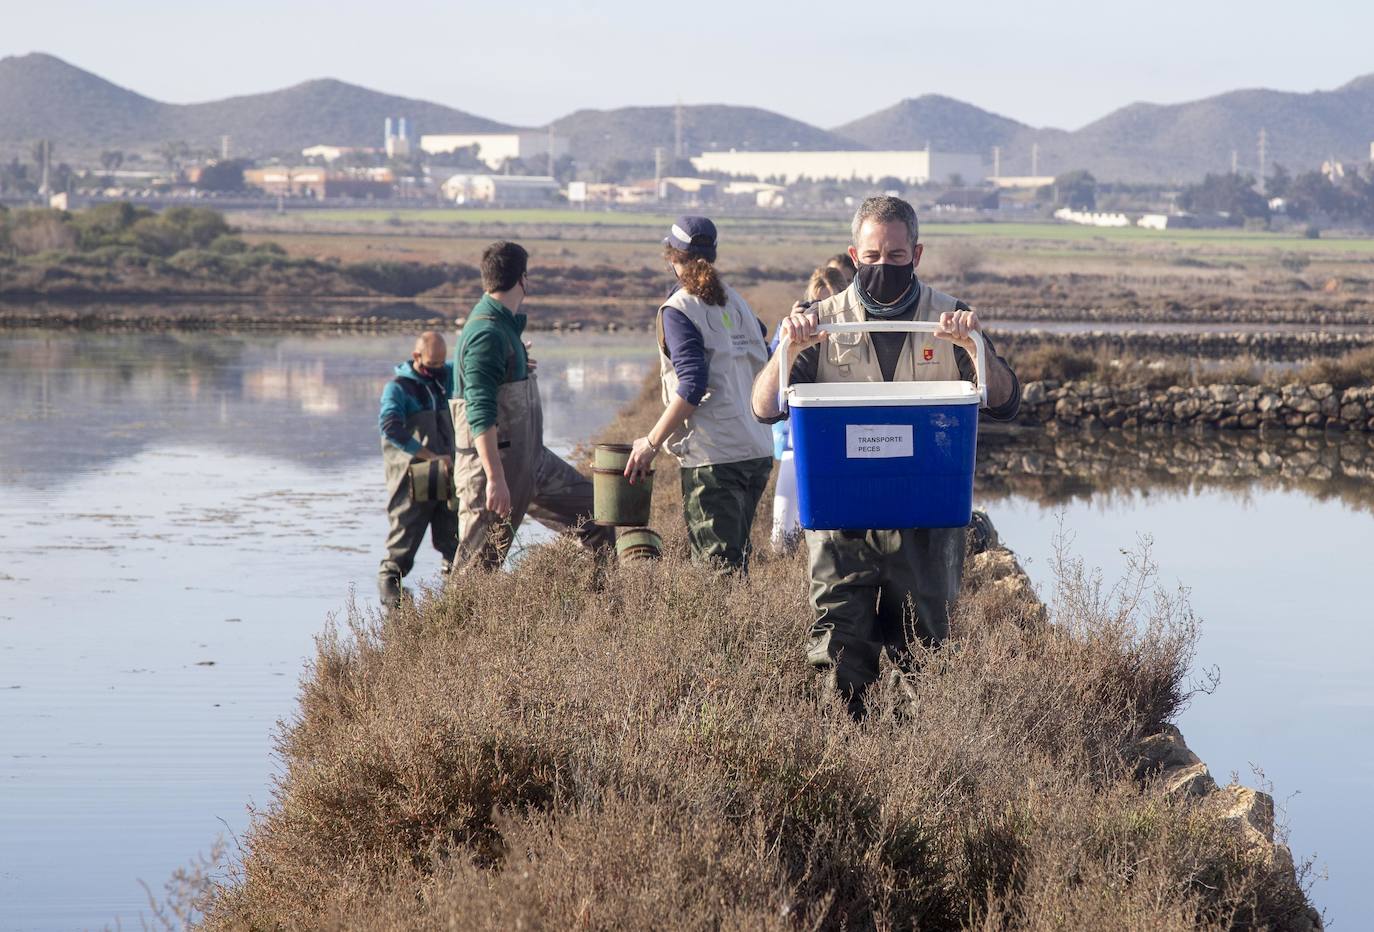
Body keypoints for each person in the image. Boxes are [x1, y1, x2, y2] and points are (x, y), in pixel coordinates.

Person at [751, 195, 1022, 718]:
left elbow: (1007, 401)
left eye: (896, 257)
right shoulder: (818, 322)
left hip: (926, 522)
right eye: (872, 257)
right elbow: (764, 409)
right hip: (840, 521)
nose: (883, 267)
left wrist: (975, 348)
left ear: (917, 254)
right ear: (854, 254)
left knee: (925, 655)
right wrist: (786, 349)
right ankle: (844, 768)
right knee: (837, 651)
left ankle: (917, 770)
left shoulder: (947, 317)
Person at [623, 216, 775, 572]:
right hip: (756, 448)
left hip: (714, 457)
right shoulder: (735, 302)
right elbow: (763, 354)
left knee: (716, 572)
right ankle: (750, 627)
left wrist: (650, 443)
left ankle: (725, 630)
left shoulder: (679, 310)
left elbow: (691, 386)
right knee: (735, 562)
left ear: (670, 257)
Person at [451, 241, 613, 569]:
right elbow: (479, 411)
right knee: (474, 578)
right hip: (491, 470)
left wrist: (519, 366)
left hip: (531, 462)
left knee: (599, 518)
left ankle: (596, 613)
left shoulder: (503, 331)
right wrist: (495, 478)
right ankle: (456, 623)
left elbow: (497, 388)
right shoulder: (487, 333)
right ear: (523, 280)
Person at [770, 265, 849, 553]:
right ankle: (785, 567)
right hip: (797, 436)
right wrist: (789, 335)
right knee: (782, 528)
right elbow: (772, 377)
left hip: (840, 433)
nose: (822, 310)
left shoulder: (853, 327)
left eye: (830, 301)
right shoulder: (795, 325)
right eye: (817, 301)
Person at [377, 331, 458, 608]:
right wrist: (430, 456)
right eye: (432, 364)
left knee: (455, 540)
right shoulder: (399, 388)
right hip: (413, 475)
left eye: (441, 363)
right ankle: (394, 604)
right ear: (416, 356)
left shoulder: (447, 376)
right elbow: (390, 428)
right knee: (403, 543)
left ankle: (455, 595)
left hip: (447, 471)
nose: (438, 370)